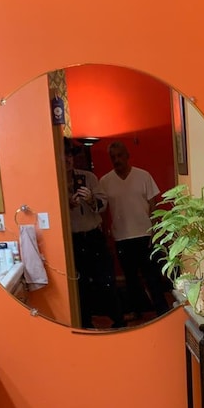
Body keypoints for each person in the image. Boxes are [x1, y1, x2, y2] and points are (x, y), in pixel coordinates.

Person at [100, 140, 171, 318]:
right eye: (113, 157)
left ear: (127, 156)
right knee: (130, 279)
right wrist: (105, 235)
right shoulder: (105, 181)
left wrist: (155, 230)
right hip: (122, 237)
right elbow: (102, 210)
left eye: (120, 155)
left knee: (152, 277)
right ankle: (138, 312)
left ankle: (162, 311)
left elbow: (153, 205)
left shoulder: (143, 176)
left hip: (145, 234)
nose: (117, 160)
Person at [64, 139, 124, 329]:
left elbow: (103, 205)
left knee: (106, 280)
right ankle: (85, 325)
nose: (68, 159)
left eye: (70, 155)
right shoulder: (53, 182)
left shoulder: (88, 177)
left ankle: (118, 321)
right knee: (79, 286)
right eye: (63, 155)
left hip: (93, 237)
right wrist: (68, 205)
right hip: (71, 240)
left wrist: (90, 199)